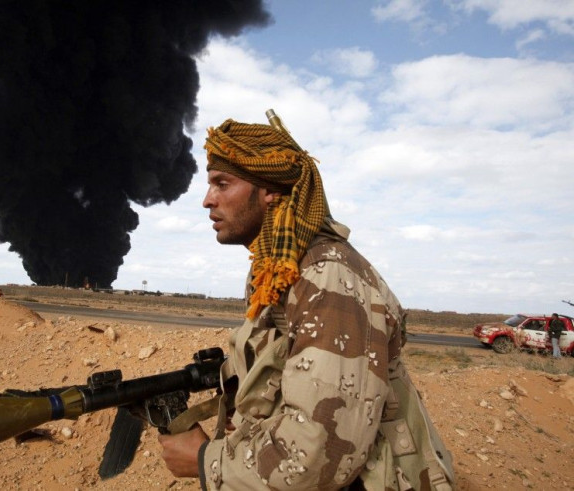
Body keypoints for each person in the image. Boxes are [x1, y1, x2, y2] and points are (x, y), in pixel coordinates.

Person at [157, 117, 453, 490]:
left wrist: (206, 462)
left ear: (269, 191)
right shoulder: (277, 271)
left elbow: (316, 457)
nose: (207, 200)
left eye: (222, 183)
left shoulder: (328, 276)